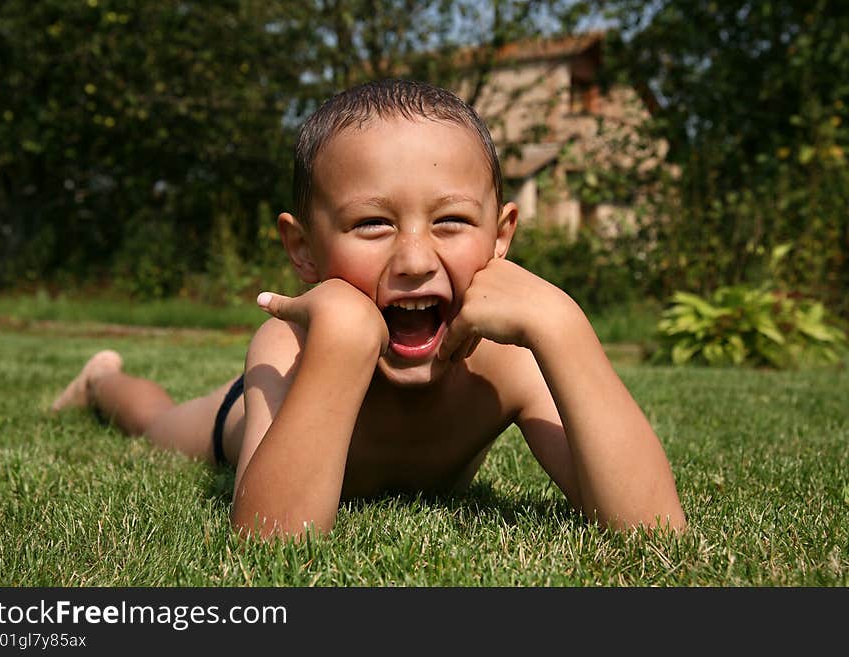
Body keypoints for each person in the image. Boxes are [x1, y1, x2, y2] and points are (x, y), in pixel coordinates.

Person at [52, 79, 686, 541]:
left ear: (501, 235)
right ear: (303, 248)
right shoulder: (289, 352)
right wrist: (337, 349)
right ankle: (100, 381)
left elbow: (652, 530)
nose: (414, 258)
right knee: (156, 418)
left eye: (453, 221)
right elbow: (270, 544)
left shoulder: (510, 366)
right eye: (372, 223)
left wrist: (563, 325)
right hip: (251, 416)